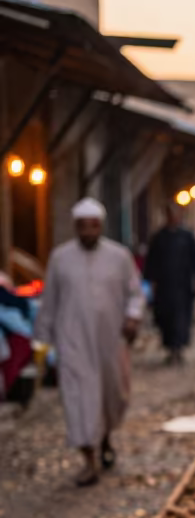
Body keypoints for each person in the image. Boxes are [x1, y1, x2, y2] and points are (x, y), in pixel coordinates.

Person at [35, 196, 144, 486]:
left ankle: (105, 438)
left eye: (93, 227)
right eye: (82, 227)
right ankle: (89, 460)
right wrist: (43, 345)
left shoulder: (119, 256)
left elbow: (135, 294)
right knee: (79, 399)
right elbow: (49, 302)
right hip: (72, 342)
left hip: (111, 341)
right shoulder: (60, 258)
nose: (87, 233)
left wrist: (132, 318)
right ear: (75, 227)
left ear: (101, 226)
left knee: (112, 397)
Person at [144, 203, 195, 364]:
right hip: (164, 287)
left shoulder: (187, 236)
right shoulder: (159, 237)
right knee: (166, 318)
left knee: (182, 318)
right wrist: (151, 282)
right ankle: (170, 348)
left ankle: (179, 348)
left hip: (182, 286)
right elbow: (151, 262)